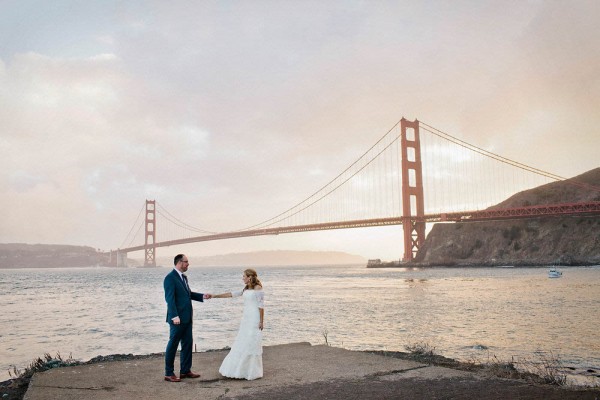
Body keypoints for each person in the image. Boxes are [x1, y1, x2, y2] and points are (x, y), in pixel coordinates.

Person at [209, 268, 265, 380]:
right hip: (246, 318)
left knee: (252, 342)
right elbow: (232, 294)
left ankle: (251, 371)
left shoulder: (258, 288)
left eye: (244, 276)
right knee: (243, 341)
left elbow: (261, 306)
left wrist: (261, 321)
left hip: (254, 318)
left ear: (249, 277)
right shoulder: (246, 288)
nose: (242, 278)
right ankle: (241, 370)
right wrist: (214, 296)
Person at [163, 254, 210, 382]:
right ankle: (168, 373)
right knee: (173, 345)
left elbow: (187, 294)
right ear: (179, 262)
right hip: (177, 319)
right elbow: (169, 299)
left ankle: (185, 370)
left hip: (187, 318)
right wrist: (174, 316)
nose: (188, 264)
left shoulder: (183, 278)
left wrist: (202, 296)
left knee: (187, 344)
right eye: (186, 262)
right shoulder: (170, 278)